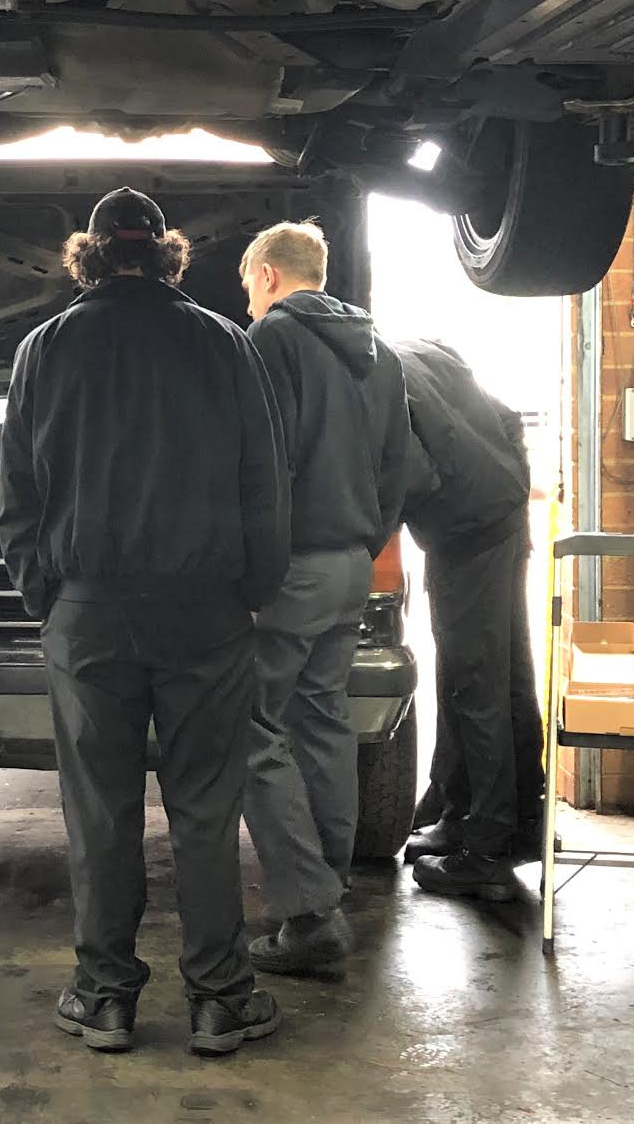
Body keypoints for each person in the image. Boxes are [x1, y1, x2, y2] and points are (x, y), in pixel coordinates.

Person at [0, 187, 291, 1058]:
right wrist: (252, 590)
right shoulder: (226, 343)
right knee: (204, 808)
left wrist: (44, 595)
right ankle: (220, 999)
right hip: (205, 613)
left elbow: (19, 491)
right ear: (166, 254)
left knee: (100, 809)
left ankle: (104, 997)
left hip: (88, 614)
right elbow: (263, 483)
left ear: (89, 255)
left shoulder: (44, 348)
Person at [237, 221, 409, 974]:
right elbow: (398, 467)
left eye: (248, 285)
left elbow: (260, 464)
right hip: (349, 567)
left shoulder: (271, 339)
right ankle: (326, 883)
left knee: (250, 727)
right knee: (322, 721)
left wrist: (250, 569)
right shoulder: (379, 352)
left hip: (290, 569)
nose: (248, 300)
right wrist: (366, 542)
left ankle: (307, 912)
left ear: (268, 274)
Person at [393, 336, 542, 903]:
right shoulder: (420, 348)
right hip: (505, 514)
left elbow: (410, 477)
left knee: (475, 683)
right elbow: (507, 417)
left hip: (466, 532)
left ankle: (486, 850)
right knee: (506, 674)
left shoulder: (370, 379)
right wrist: (511, 485)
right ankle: (494, 820)